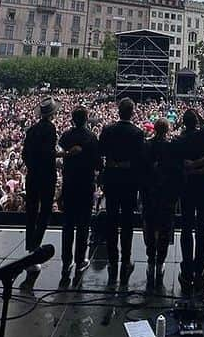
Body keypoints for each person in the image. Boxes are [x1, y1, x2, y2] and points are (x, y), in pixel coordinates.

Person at [98, 97, 145, 282]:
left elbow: (100, 151)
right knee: (127, 220)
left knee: (111, 217)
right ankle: (126, 257)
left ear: (118, 111)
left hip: (111, 177)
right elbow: (141, 159)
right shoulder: (137, 133)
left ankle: (112, 258)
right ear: (132, 112)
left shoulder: (108, 130)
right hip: (128, 180)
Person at [174, 108, 204, 290]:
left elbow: (178, 165)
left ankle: (186, 266)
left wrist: (190, 168)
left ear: (184, 123)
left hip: (187, 187)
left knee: (186, 226)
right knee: (202, 226)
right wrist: (199, 113)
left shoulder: (179, 140)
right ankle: (200, 266)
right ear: (196, 122)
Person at [58, 106, 99, 274]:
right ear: (87, 118)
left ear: (73, 119)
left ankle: (66, 261)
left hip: (69, 183)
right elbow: (98, 163)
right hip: (85, 183)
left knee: (67, 224)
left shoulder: (66, 136)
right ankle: (80, 259)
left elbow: (59, 153)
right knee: (83, 223)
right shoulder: (91, 137)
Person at [21, 97, 58, 270]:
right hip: (46, 175)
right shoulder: (50, 129)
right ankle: (36, 248)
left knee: (31, 210)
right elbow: (49, 153)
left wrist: (32, 167)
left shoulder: (31, 129)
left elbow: (25, 154)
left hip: (32, 174)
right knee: (45, 211)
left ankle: (30, 246)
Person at [142, 118, 178, 286]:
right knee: (164, 226)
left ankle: (150, 259)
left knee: (149, 224)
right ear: (167, 130)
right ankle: (160, 261)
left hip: (149, 192)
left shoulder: (146, 145)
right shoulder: (171, 147)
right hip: (166, 193)